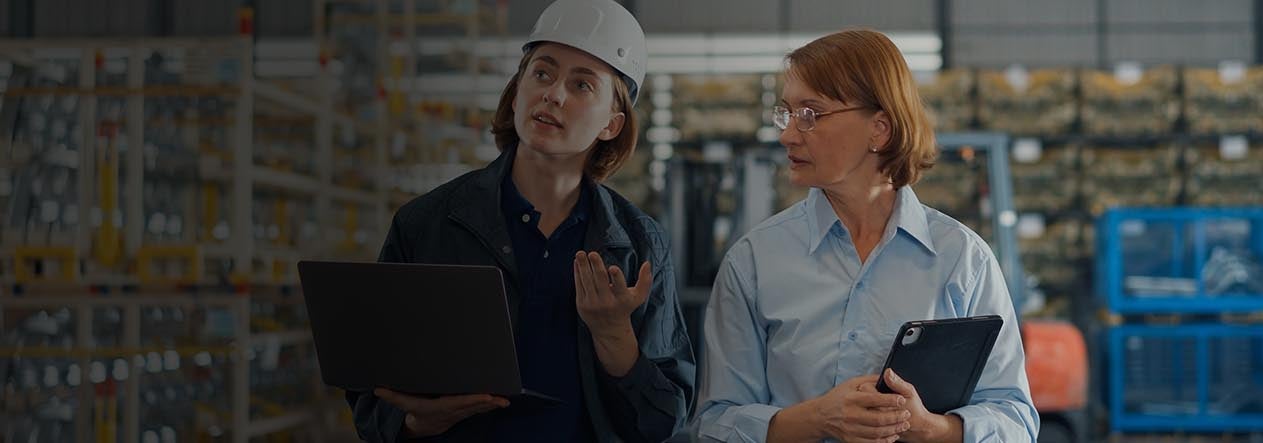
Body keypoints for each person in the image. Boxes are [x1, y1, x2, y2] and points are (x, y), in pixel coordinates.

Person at [345, 1, 694, 441]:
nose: (553, 94)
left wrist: (615, 340)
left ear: (612, 123)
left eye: (582, 85)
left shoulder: (639, 245)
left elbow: (665, 421)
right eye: (542, 73)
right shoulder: (428, 224)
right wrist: (414, 424)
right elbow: (368, 392)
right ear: (516, 92)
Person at [692, 29, 1038, 443]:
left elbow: (1014, 419)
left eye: (810, 114)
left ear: (879, 129)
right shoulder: (753, 262)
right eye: (787, 114)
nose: (787, 135)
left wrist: (931, 429)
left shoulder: (963, 260)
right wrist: (818, 418)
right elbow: (714, 425)